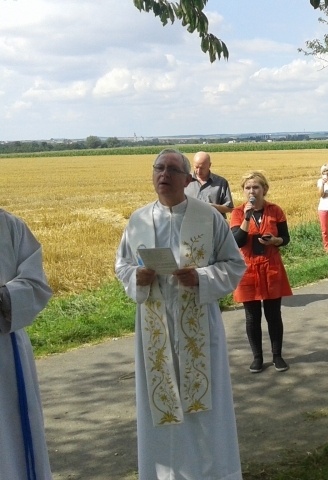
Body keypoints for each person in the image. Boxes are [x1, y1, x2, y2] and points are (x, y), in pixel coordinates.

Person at [115, 149, 246, 480]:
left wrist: (201, 278)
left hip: (198, 328)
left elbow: (234, 264)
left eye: (173, 169)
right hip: (155, 329)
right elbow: (122, 265)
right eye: (159, 168)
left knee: (205, 407)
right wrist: (136, 277)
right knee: (161, 407)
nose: (164, 174)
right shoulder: (138, 220)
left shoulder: (209, 217)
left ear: (188, 179)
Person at [0, 209, 54, 480]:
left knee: (9, 440)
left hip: (4, 351)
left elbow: (36, 284)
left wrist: (4, 298)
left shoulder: (10, 227)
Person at [231, 171, 293, 373]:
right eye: (248, 188)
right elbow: (237, 240)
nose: (252, 191)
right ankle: (257, 357)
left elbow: (285, 238)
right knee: (252, 316)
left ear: (264, 189)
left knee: (274, 314)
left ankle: (277, 356)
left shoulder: (275, 210)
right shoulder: (239, 212)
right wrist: (247, 218)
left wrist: (275, 241)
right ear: (243, 191)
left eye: (255, 187)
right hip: (248, 268)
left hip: (270, 265)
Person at [184, 151, 234, 217]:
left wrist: (212, 207)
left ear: (209, 165)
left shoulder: (221, 182)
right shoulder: (184, 180)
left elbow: (229, 208)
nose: (198, 171)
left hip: (213, 224)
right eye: (196, 167)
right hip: (188, 222)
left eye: (202, 168)